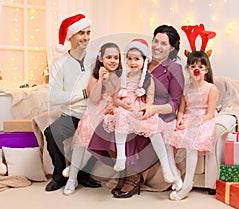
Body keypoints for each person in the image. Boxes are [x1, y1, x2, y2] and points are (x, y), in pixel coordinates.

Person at [88, 25, 185, 198]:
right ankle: (124, 169)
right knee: (107, 126)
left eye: (163, 44)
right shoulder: (141, 61)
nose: (157, 46)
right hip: (133, 107)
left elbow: (175, 103)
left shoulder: (174, 68)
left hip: (158, 112)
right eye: (156, 41)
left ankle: (133, 176)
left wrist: (153, 108)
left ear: (172, 48)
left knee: (138, 128)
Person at [102, 38, 176, 185]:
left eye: (137, 59)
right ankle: (121, 157)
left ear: (144, 61)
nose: (133, 62)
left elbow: (149, 101)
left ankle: (166, 167)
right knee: (121, 115)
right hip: (124, 107)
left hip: (140, 107)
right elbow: (115, 99)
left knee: (153, 127)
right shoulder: (121, 78)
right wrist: (121, 104)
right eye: (129, 59)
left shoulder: (149, 80)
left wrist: (146, 110)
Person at [44, 14, 100, 192]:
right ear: (70, 36)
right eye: (81, 33)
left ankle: (83, 174)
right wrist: (84, 93)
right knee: (51, 133)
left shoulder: (95, 58)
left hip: (93, 115)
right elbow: (54, 97)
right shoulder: (58, 63)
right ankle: (59, 175)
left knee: (109, 135)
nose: (86, 37)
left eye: (88, 32)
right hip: (71, 115)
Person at [63, 42, 122, 195]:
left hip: (113, 111)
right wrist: (101, 79)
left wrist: (110, 80)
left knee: (100, 134)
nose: (113, 60)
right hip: (96, 110)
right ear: (101, 59)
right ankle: (72, 178)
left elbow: (116, 96)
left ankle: (73, 169)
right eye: (109, 57)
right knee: (84, 132)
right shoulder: (96, 75)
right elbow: (94, 99)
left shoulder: (121, 76)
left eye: (116, 57)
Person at [168, 50, 218, 200]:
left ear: (206, 70)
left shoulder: (211, 88)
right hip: (189, 118)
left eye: (200, 67)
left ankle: (188, 182)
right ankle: (174, 174)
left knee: (192, 142)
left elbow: (209, 114)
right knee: (169, 137)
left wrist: (191, 125)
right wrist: (180, 119)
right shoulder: (186, 88)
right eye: (192, 66)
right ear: (188, 69)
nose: (196, 70)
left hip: (203, 120)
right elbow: (182, 110)